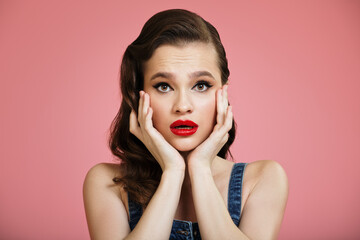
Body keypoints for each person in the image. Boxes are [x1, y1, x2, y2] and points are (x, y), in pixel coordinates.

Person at [83, 9, 288, 240]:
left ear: (223, 92)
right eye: (163, 86)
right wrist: (173, 172)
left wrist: (200, 168)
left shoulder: (263, 179)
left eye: (201, 85)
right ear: (137, 96)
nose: (182, 106)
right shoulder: (107, 183)